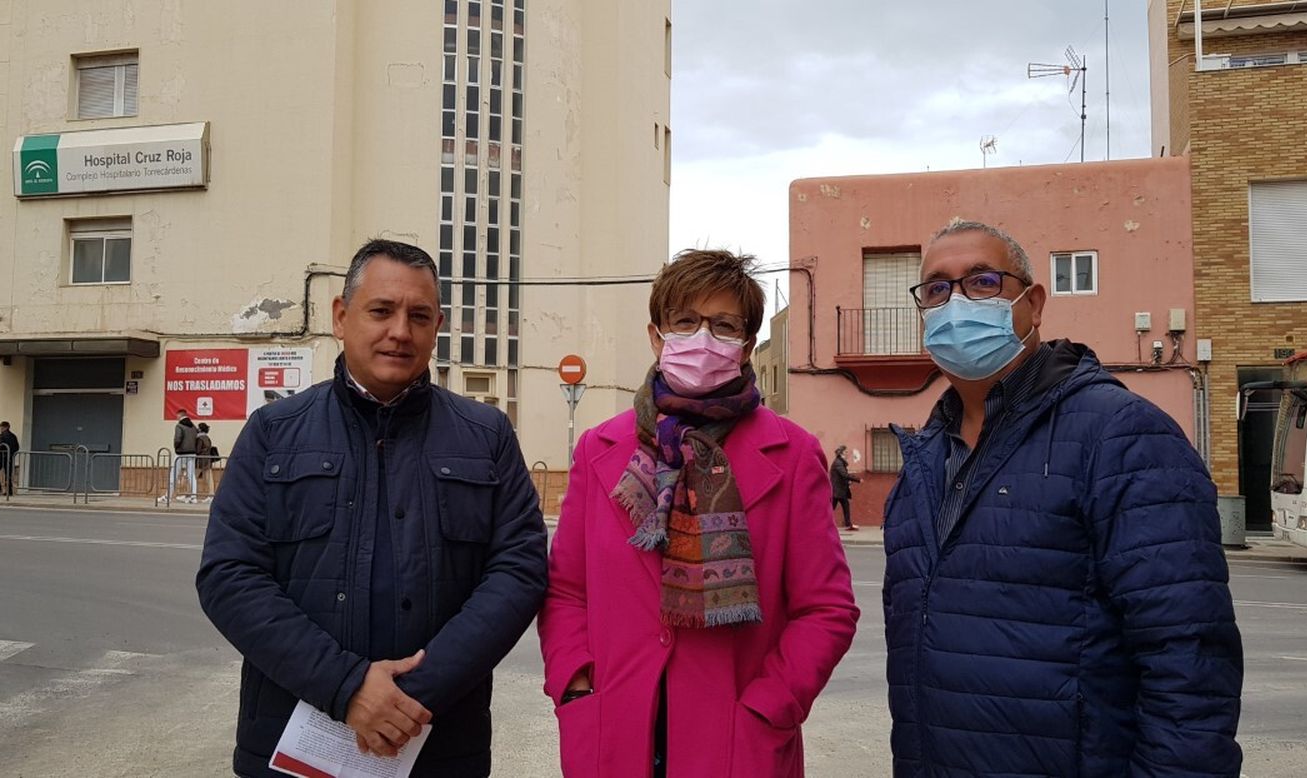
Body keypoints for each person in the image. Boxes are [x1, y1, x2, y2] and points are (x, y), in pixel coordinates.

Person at [881, 220, 1243, 777]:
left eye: (981, 282)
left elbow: (1188, 662)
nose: (955, 303)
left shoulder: (1122, 436)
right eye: (936, 289)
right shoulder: (927, 455)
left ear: (1034, 303)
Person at [196, 239, 547, 777]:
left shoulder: (487, 436)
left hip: (439, 742)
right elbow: (229, 575)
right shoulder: (274, 432)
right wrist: (346, 687)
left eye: (419, 316)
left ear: (438, 326)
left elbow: (518, 571)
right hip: (293, 743)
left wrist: (409, 699)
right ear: (341, 317)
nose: (400, 331)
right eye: (381, 311)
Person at [539, 249, 859, 777]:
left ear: (748, 345)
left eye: (723, 325)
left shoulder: (793, 453)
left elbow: (827, 609)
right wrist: (575, 684)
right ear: (656, 335)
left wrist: (772, 705)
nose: (702, 338)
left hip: (736, 737)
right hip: (614, 728)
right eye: (685, 321)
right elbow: (566, 590)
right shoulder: (600, 448)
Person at [828, 445, 862, 531]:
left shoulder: (840, 462)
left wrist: (848, 482)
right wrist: (857, 479)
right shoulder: (838, 463)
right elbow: (844, 475)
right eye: (846, 452)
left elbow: (841, 477)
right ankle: (824, 523)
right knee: (831, 508)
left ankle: (848, 524)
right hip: (837, 490)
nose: (847, 454)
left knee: (842, 506)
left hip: (839, 490)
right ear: (842, 453)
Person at [172, 409, 200, 502]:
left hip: (181, 453)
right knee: (191, 475)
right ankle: (194, 497)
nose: (176, 417)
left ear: (180, 415)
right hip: (192, 453)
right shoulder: (193, 427)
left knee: (174, 474)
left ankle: (168, 496)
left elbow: (177, 439)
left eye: (177, 416)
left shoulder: (179, 426)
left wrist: (176, 448)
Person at [0, 422, 20, 496]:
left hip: (2, 457)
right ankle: (9, 492)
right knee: (8, 475)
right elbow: (17, 447)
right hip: (10, 458)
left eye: (1, 427)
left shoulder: (1, 436)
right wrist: (11, 454)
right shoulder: (13, 436)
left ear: (6, 427)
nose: (0, 429)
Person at [194, 422, 215, 499]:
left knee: (193, 478)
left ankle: (190, 494)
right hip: (208, 460)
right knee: (209, 478)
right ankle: (211, 494)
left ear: (200, 429)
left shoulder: (199, 438)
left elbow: (198, 450)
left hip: (200, 461)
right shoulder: (207, 438)